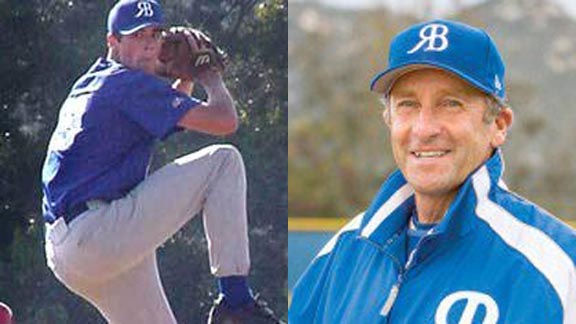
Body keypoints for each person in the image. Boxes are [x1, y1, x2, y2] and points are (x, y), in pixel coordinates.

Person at [289, 19, 576, 323]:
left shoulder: (558, 268)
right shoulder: (343, 252)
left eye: (451, 104)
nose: (424, 129)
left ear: (498, 125)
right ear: (389, 119)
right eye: (408, 104)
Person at [41, 0, 282, 323]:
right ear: (112, 41)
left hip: (77, 247)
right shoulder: (127, 84)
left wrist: (184, 78)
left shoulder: (93, 82)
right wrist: (210, 77)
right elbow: (224, 121)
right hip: (98, 231)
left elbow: (166, 113)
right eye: (137, 35)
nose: (149, 44)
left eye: (155, 34)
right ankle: (235, 304)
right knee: (223, 163)